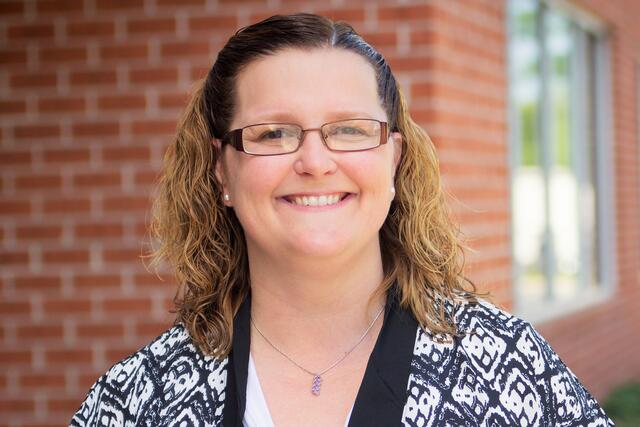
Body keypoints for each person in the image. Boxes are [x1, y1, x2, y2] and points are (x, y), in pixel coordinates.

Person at [71, 13, 612, 427]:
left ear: (394, 160)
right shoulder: (139, 397)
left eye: (350, 129)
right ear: (222, 172)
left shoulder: (506, 365)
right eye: (274, 133)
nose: (315, 162)